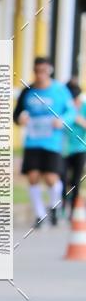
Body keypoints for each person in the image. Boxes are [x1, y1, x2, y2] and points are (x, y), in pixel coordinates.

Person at [13, 57, 75, 228]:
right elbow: (16, 114)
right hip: (32, 141)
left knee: (50, 178)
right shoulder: (27, 91)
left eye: (43, 71)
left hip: (52, 141)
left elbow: (71, 111)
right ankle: (40, 215)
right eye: (37, 71)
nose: (40, 75)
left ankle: (56, 205)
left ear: (49, 70)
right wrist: (20, 119)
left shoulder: (60, 90)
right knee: (32, 176)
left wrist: (61, 121)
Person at [61, 81, 86, 217]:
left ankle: (74, 210)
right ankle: (63, 208)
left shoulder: (84, 107)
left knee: (76, 181)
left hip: (80, 149)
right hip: (64, 149)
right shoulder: (64, 107)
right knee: (62, 179)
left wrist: (79, 119)